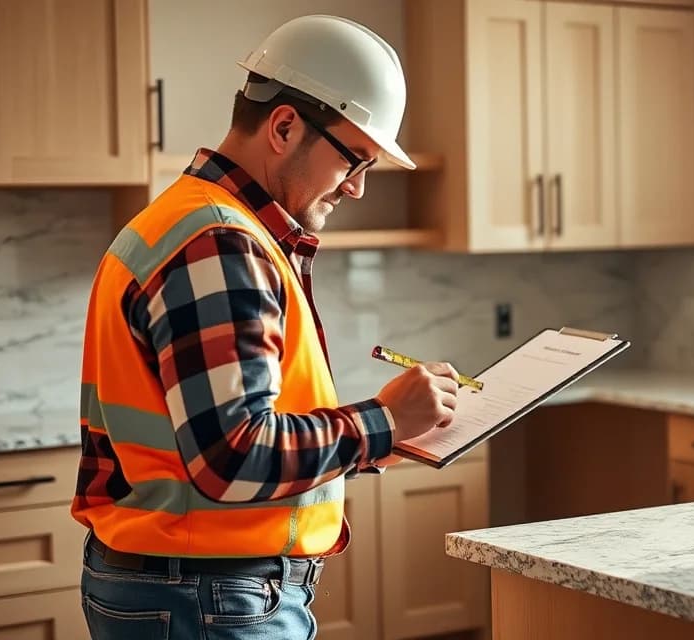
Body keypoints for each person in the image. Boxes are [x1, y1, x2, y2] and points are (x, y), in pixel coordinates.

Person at [70, 14, 458, 639]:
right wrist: (383, 423)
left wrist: (391, 430)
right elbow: (233, 455)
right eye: (354, 160)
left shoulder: (189, 223)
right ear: (284, 126)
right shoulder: (219, 243)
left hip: (183, 586)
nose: (357, 189)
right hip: (207, 594)